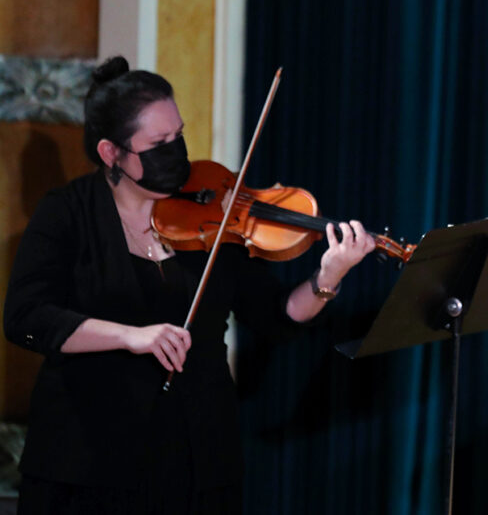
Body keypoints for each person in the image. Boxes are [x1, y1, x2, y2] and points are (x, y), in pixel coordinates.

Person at [3, 56, 375, 514]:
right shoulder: (67, 212)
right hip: (86, 463)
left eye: (178, 136)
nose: (176, 152)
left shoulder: (213, 211)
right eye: (158, 144)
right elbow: (26, 318)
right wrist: (131, 336)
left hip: (199, 459)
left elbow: (275, 316)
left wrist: (328, 277)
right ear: (111, 153)